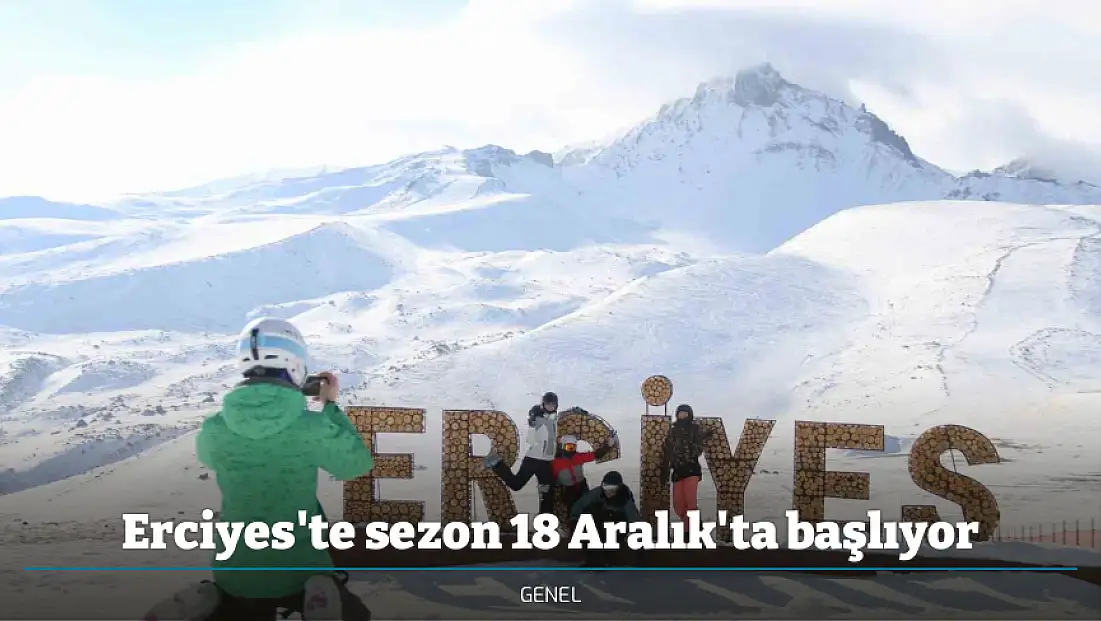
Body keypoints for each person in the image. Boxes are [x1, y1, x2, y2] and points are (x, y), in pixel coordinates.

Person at [142, 317, 376, 621]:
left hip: (236, 571)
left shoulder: (215, 429)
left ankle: (214, 600)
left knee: (240, 603)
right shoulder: (311, 426)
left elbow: (212, 459)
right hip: (299, 566)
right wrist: (330, 406)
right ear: (295, 365)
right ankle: (320, 597)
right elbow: (355, 464)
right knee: (355, 614)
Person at [484, 391, 561, 514]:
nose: (551, 407)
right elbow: (533, 418)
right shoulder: (538, 416)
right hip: (533, 460)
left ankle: (545, 526)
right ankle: (496, 463)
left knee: (547, 496)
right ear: (543, 404)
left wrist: (575, 410)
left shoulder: (554, 417)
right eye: (548, 404)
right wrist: (534, 414)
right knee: (516, 484)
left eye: (553, 405)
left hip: (546, 463)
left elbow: (558, 416)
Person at [569, 471, 641, 567]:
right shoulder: (598, 493)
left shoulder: (625, 498)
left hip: (617, 529)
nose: (608, 492)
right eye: (606, 488)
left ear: (618, 488)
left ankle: (604, 558)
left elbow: (633, 517)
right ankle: (594, 559)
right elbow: (581, 504)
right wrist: (575, 519)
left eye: (612, 489)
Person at [662, 404, 714, 522]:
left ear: (689, 415)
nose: (683, 415)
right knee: (678, 505)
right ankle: (692, 526)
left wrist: (687, 454)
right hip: (677, 471)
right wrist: (668, 464)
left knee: (690, 502)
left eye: (685, 413)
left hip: (691, 469)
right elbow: (667, 448)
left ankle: (691, 532)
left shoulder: (695, 429)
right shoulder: (673, 431)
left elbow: (699, 447)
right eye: (680, 413)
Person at [552, 432, 618, 521]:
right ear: (562, 447)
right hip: (568, 489)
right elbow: (550, 477)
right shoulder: (556, 462)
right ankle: (572, 526)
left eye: (573, 447)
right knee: (572, 509)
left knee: (589, 506)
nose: (570, 450)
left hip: (581, 486)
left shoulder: (578, 457)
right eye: (568, 447)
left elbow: (596, 455)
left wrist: (608, 445)